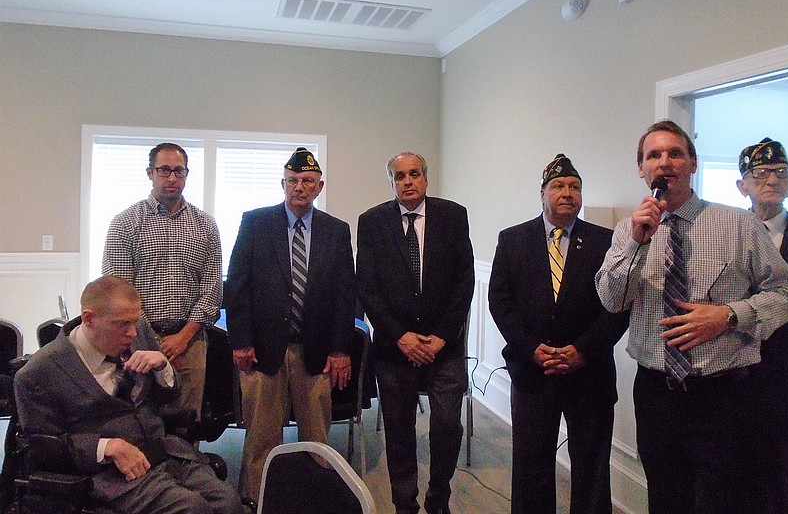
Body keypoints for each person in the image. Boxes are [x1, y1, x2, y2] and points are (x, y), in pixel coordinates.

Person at [595, 120, 788, 514]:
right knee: (665, 499)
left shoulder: (739, 225)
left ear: (691, 163)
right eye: (654, 155)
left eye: (675, 153)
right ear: (641, 169)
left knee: (722, 501)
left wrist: (729, 315)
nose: (665, 162)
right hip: (656, 394)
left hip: (724, 396)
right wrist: (638, 244)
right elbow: (612, 300)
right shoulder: (626, 232)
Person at [13, 276, 242, 514]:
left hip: (163, 452)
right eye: (122, 324)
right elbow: (42, 447)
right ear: (89, 319)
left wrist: (164, 368)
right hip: (111, 475)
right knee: (190, 509)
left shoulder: (136, 331)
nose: (132, 333)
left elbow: (168, 399)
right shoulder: (39, 373)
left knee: (228, 503)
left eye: (135, 322)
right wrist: (105, 446)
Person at [488, 154, 628, 514]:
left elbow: (619, 306)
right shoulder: (513, 240)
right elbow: (500, 302)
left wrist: (582, 350)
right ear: (542, 194)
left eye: (575, 187)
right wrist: (532, 349)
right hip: (533, 373)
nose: (567, 193)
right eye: (558, 186)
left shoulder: (607, 242)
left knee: (592, 468)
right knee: (531, 466)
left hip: (590, 373)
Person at [225, 147, 356, 504]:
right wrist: (241, 340)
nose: (300, 187)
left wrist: (341, 348)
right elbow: (236, 286)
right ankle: (258, 501)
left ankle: (314, 502)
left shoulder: (336, 230)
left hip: (315, 353)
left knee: (317, 440)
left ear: (319, 186)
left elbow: (347, 295)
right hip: (262, 351)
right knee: (262, 438)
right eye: (293, 180)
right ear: (282, 184)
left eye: (308, 181)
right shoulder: (255, 222)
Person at [357, 152, 474, 514]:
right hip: (395, 349)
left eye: (415, 174)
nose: (408, 182)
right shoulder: (372, 221)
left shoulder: (453, 216)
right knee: (399, 430)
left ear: (425, 178)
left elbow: (464, 279)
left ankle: (439, 497)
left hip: (445, 348)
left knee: (447, 425)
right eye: (400, 176)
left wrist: (441, 335)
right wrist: (399, 336)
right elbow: (368, 286)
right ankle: (404, 503)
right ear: (391, 182)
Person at [102, 142, 223, 420]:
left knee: (187, 422)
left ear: (186, 174)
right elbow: (120, 294)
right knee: (140, 420)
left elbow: (212, 288)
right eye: (164, 170)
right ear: (150, 173)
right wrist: (155, 343)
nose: (172, 178)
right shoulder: (125, 223)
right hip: (135, 341)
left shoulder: (205, 225)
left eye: (178, 171)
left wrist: (182, 339)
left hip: (190, 342)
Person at [736, 137, 788, 513]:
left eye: (780, 172)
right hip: (735, 375)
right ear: (742, 184)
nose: (771, 180)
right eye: (760, 173)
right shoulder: (726, 235)